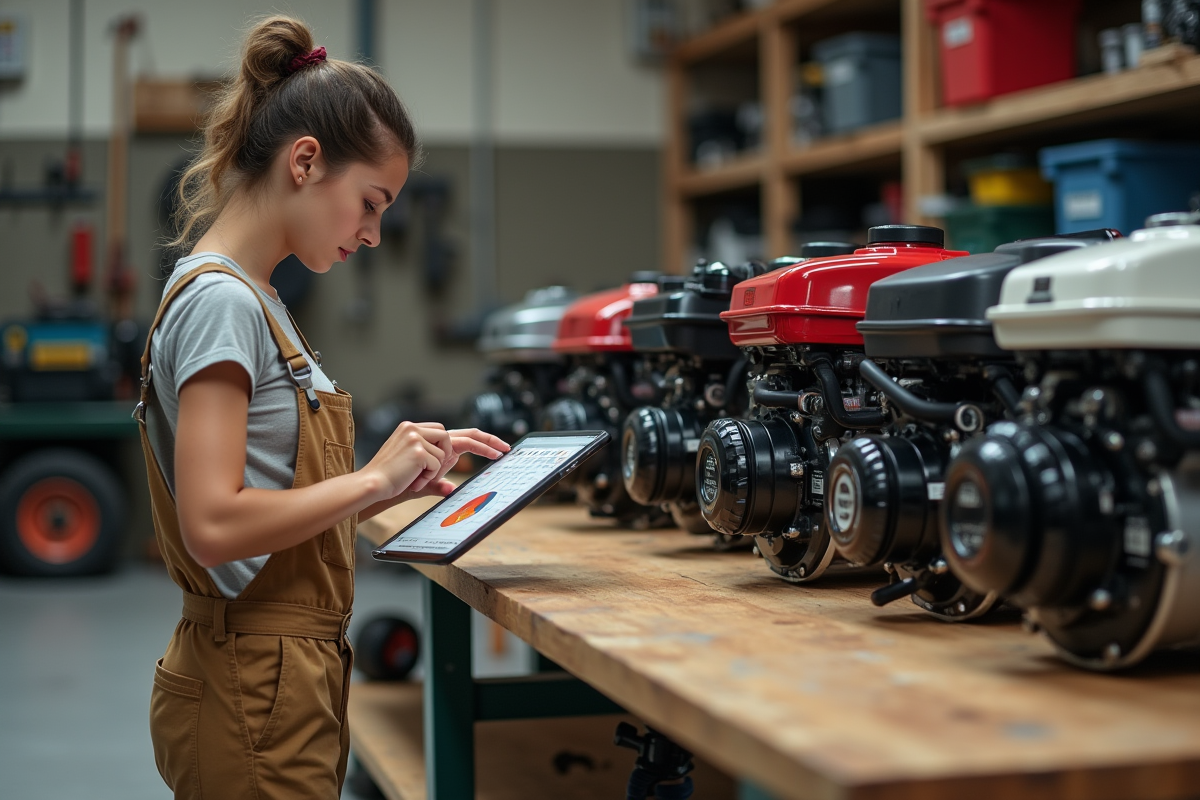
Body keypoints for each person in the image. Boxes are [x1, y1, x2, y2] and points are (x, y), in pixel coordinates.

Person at [136, 16, 508, 800]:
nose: (373, 234)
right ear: (306, 162)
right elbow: (214, 525)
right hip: (252, 685)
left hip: (280, 675)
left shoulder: (256, 299)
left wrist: (386, 482)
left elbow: (269, 492)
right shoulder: (223, 305)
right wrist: (369, 483)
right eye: (370, 203)